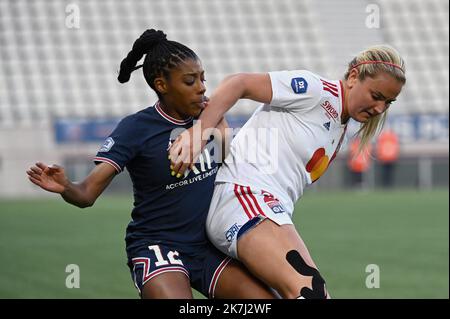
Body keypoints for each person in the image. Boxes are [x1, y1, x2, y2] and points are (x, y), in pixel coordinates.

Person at [26, 29, 276, 299]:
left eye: (203, 78)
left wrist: (220, 127)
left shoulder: (209, 118)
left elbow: (233, 172)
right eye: (190, 81)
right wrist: (66, 186)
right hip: (158, 246)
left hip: (208, 246)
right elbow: (86, 195)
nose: (202, 87)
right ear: (162, 85)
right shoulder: (136, 128)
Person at [169, 45, 406, 298]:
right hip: (245, 197)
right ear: (352, 77)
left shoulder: (341, 126)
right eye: (376, 95)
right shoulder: (317, 91)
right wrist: (200, 133)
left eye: (388, 102)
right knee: (309, 292)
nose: (380, 108)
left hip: (263, 210)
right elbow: (239, 83)